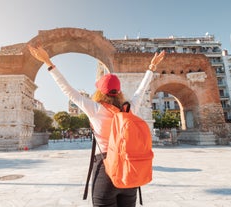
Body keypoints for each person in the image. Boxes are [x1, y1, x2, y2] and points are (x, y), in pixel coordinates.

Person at [28, 44, 165, 207]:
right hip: (129, 173)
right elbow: (140, 91)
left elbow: (68, 90)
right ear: (119, 91)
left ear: (100, 91)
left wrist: (47, 61)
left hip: (105, 169)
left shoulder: (95, 109)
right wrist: (151, 67)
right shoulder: (129, 109)